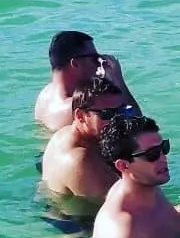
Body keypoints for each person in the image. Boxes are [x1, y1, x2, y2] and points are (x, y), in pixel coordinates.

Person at [40, 79, 126, 208]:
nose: (117, 120)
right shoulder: (80, 159)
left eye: (121, 111)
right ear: (80, 116)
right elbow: (123, 205)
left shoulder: (63, 134)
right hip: (77, 224)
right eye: (107, 114)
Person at [35, 30, 138, 132]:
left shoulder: (44, 95)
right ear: (75, 64)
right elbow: (137, 124)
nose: (99, 63)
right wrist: (119, 81)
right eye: (95, 58)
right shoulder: (79, 107)